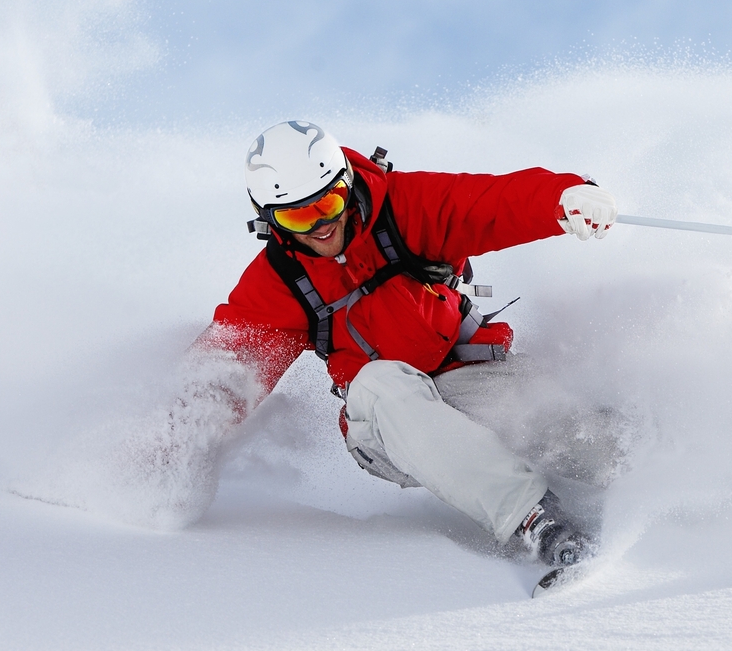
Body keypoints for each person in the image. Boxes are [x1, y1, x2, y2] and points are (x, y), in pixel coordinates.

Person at [194, 120, 617, 567]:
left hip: (463, 376)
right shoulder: (279, 280)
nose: (321, 224)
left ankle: (649, 468)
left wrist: (564, 197)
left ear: (347, 184)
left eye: (330, 203)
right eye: (297, 216)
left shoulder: (404, 207)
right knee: (380, 382)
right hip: (384, 427)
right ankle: (533, 518)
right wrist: (170, 437)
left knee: (567, 429)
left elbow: (489, 204)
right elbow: (229, 365)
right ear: (270, 217)